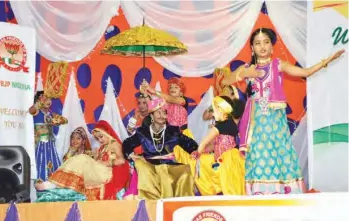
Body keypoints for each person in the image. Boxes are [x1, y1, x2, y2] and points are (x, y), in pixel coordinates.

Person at [221, 27, 345, 195]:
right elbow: (225, 81)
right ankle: (259, 193)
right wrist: (243, 74)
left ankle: (282, 191)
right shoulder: (247, 67)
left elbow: (305, 72)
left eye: (266, 42)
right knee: (258, 154)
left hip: (275, 119)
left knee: (279, 151)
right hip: (255, 120)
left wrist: (326, 61)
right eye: (257, 43)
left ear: (272, 46)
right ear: (252, 48)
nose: (262, 46)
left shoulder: (278, 65)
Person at [122, 98, 198, 200]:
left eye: (164, 113)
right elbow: (127, 143)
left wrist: (194, 150)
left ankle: (181, 203)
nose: (162, 116)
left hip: (169, 165)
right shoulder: (143, 132)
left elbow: (189, 143)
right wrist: (131, 155)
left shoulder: (173, 131)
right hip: (149, 165)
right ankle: (150, 200)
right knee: (140, 164)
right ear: (152, 116)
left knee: (185, 171)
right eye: (158, 113)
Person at [35, 120, 130, 200]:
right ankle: (55, 183)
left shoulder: (115, 144)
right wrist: (97, 158)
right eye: (97, 138)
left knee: (82, 158)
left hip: (108, 174)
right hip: (100, 171)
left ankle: (53, 184)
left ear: (107, 133)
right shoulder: (102, 147)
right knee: (81, 158)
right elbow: (97, 162)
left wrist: (105, 163)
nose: (100, 141)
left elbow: (122, 161)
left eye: (101, 137)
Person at [29, 91, 68, 181]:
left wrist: (58, 121)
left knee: (52, 161)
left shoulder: (51, 113)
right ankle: (40, 180)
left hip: (50, 143)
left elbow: (65, 120)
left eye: (49, 99)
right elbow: (31, 111)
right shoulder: (37, 111)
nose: (48, 101)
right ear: (38, 100)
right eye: (45, 99)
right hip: (39, 143)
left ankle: (52, 180)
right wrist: (38, 104)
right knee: (40, 161)